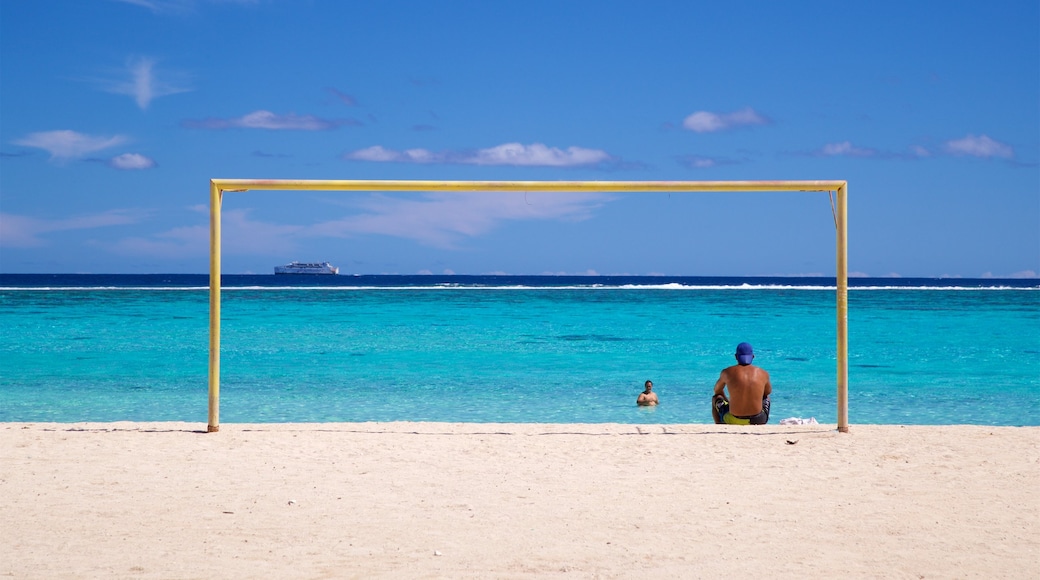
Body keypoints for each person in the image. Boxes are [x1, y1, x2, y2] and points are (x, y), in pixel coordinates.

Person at [712, 342, 771, 425]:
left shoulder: (727, 372)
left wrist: (727, 401)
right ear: (753, 356)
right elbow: (767, 392)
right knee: (766, 397)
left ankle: (720, 425)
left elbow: (717, 390)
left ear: (736, 357)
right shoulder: (763, 373)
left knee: (715, 398)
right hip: (759, 420)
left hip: (733, 419)